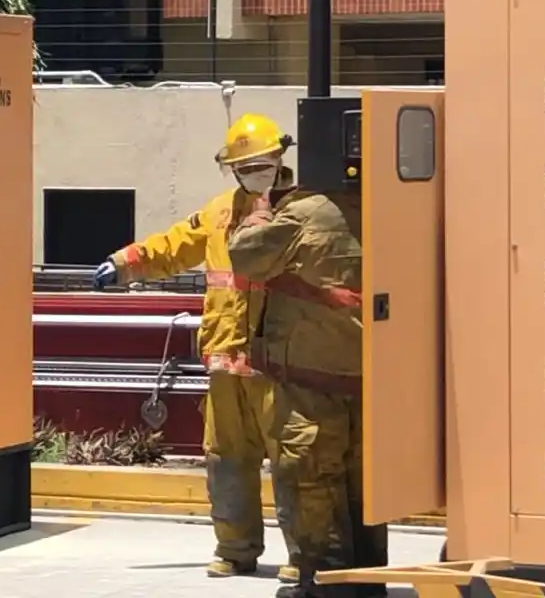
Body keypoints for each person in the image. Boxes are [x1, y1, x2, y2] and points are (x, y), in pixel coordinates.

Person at [93, 114, 300, 583]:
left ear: (280, 158)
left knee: (294, 462)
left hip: (281, 367)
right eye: (245, 167)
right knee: (226, 459)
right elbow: (173, 246)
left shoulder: (300, 211)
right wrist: (123, 263)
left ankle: (303, 555)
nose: (255, 173)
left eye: (262, 164)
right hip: (227, 365)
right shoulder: (218, 214)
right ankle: (235, 549)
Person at [226, 162, 389, 598]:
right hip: (368, 381)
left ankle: (325, 586)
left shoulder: (305, 213)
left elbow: (244, 254)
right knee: (362, 491)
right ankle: (368, 584)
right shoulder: (386, 207)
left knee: (312, 486)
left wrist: (262, 208)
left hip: (311, 386)